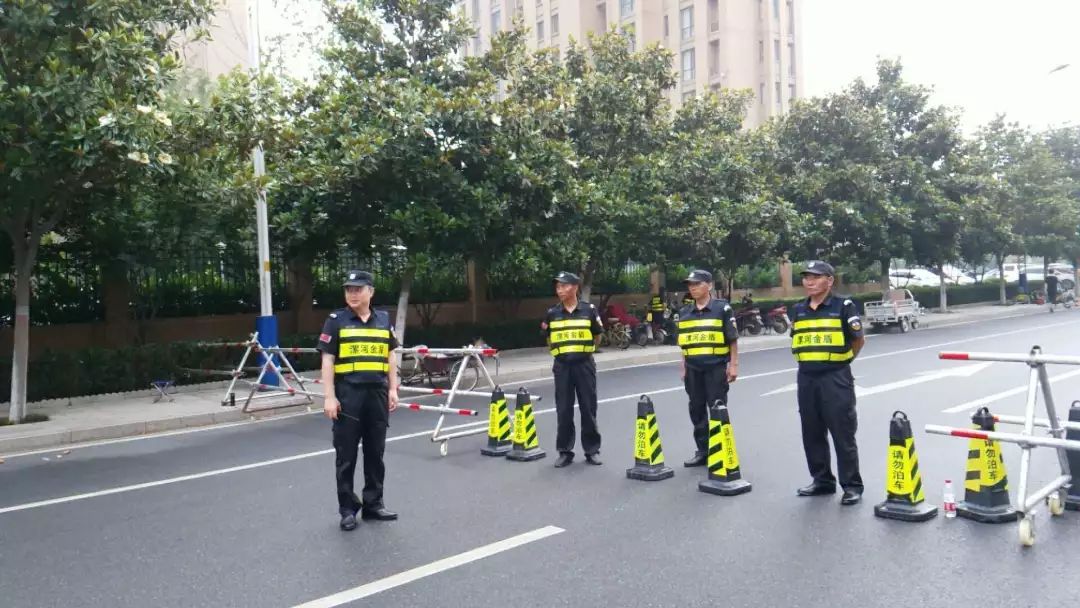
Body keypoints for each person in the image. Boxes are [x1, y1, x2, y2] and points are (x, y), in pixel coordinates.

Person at [318, 270, 400, 531]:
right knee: (346, 456)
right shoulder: (336, 321)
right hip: (348, 396)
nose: (352, 294)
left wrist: (393, 388)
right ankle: (348, 509)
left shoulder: (383, 319)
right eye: (348, 290)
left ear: (370, 292)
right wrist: (329, 397)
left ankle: (373, 504)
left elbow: (390, 356)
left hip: (377, 395)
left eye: (358, 289)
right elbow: (327, 360)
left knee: (376, 453)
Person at [790, 261, 866, 506]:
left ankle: (851, 486)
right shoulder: (798, 309)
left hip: (835, 377)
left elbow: (858, 340)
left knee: (842, 432)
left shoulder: (843, 306)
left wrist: (843, 361)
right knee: (811, 431)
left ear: (830, 280)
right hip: (806, 377)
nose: (809, 281)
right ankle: (822, 480)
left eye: (816, 277)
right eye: (806, 277)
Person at [677, 269, 739, 467]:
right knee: (696, 410)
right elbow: (684, 344)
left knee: (717, 408)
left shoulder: (722, 309)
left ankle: (721, 451)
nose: (693, 288)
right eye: (690, 284)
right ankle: (703, 451)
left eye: (697, 284)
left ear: (709, 285)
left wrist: (733, 365)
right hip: (693, 368)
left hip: (715, 368)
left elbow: (732, 339)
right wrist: (683, 367)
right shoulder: (684, 312)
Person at [542, 271, 604, 468]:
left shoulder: (589, 310)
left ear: (575, 287)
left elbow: (597, 336)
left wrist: (585, 351)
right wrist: (561, 354)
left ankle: (592, 450)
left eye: (564, 286)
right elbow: (549, 338)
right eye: (557, 287)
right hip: (562, 367)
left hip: (584, 365)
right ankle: (565, 451)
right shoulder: (552, 313)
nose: (559, 290)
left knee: (588, 408)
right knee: (563, 409)